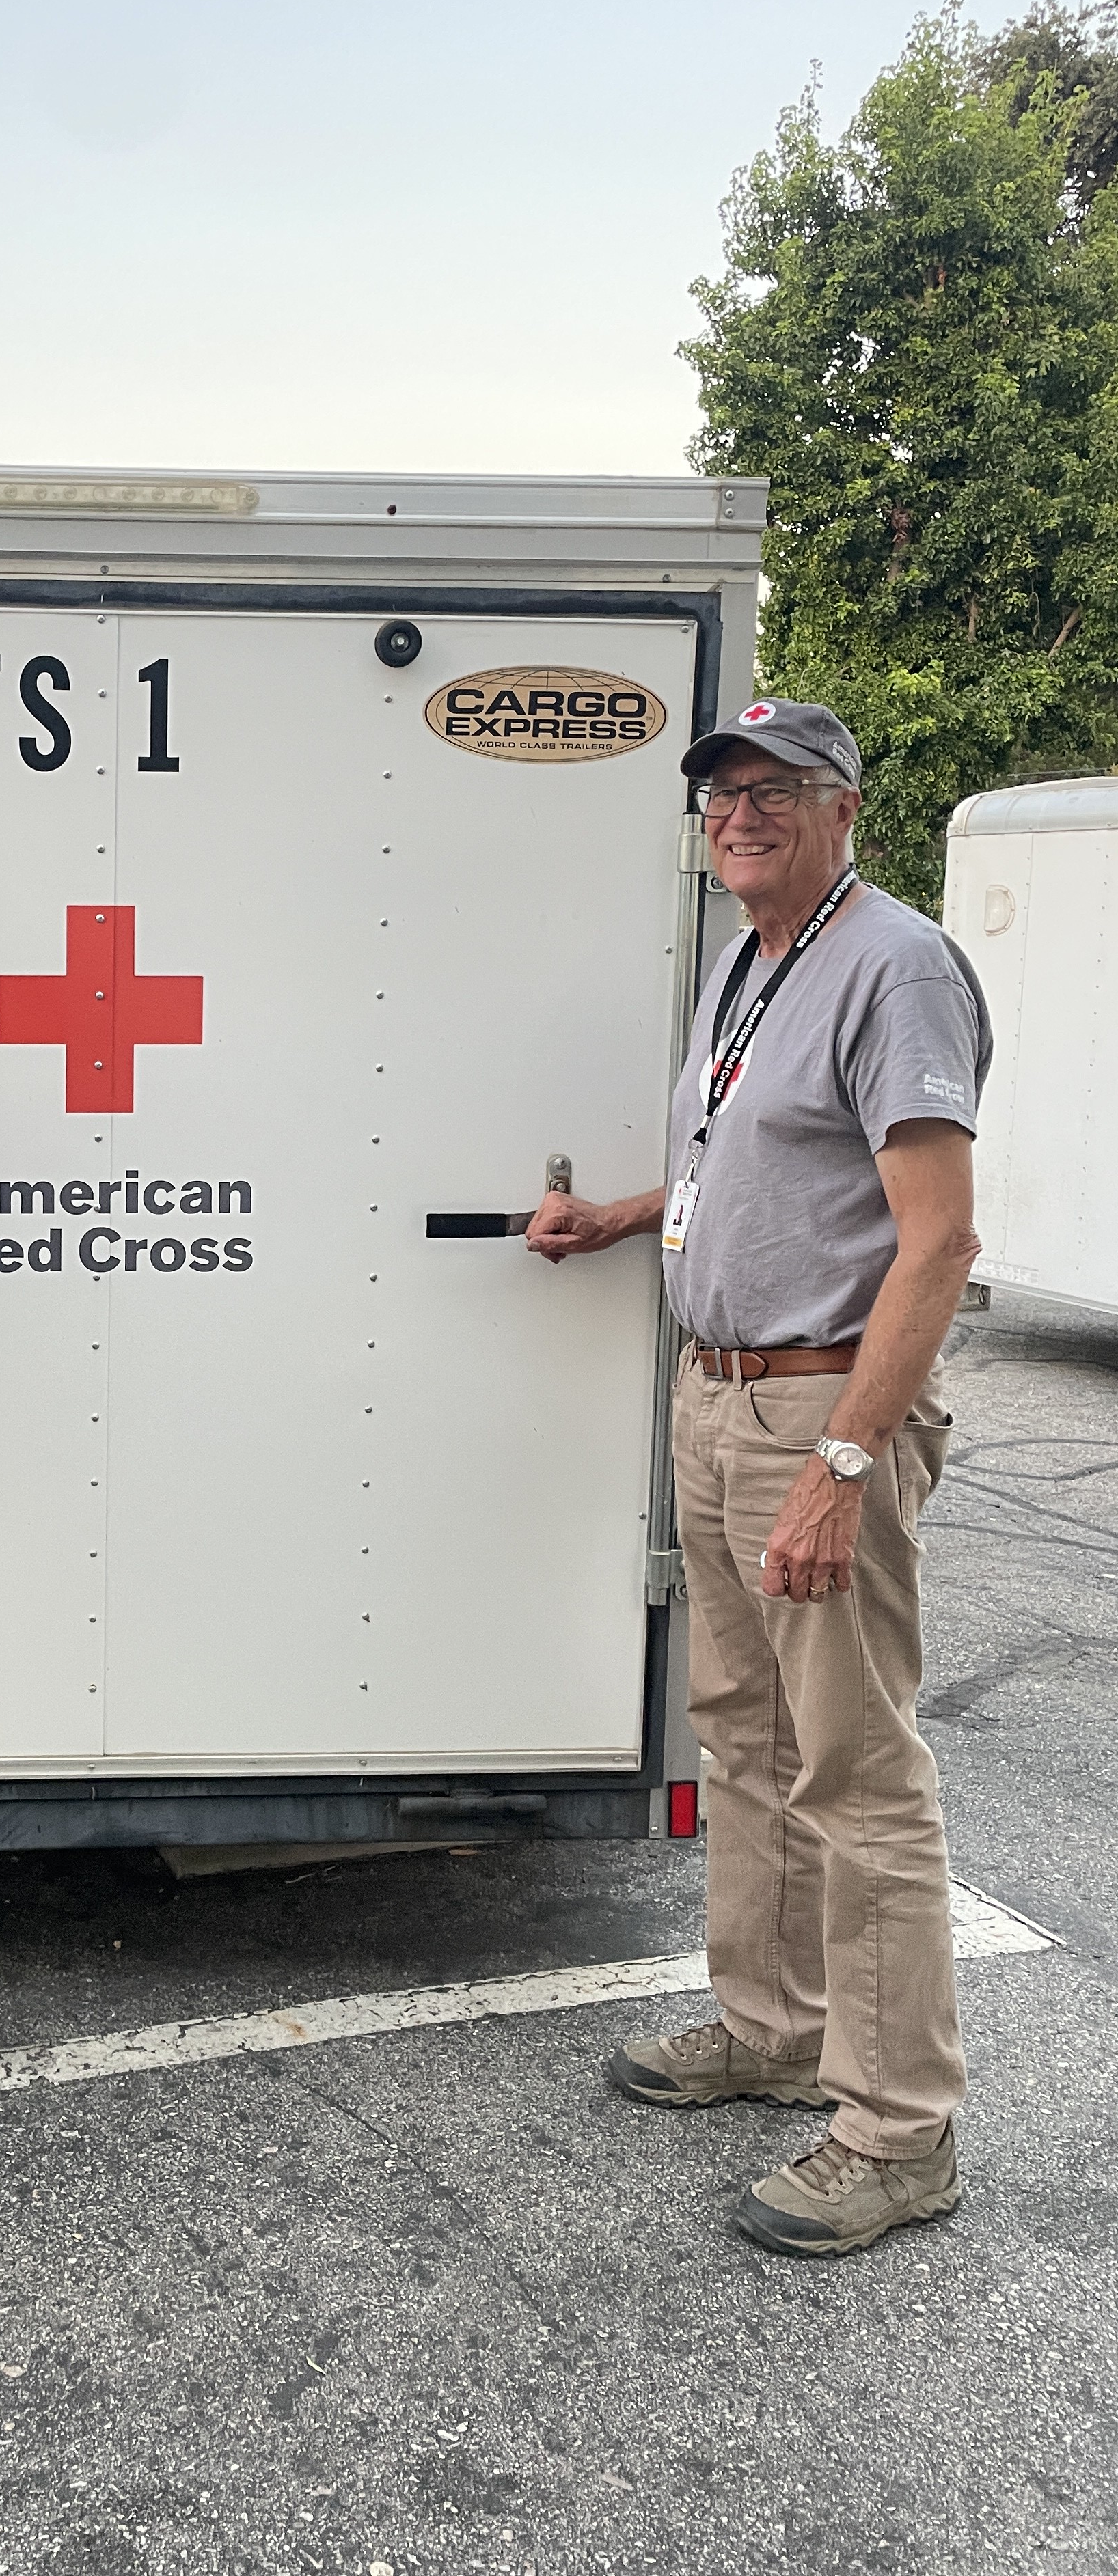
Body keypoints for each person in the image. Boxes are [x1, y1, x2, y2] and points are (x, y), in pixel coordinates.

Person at [528, 697, 988, 2258]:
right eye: (722, 791)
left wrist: (845, 1462)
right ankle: (777, 2028)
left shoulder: (896, 967)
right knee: (745, 1737)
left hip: (817, 1414)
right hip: (718, 1395)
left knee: (857, 1773)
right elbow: (749, 1159)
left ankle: (900, 2131)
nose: (740, 814)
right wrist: (620, 1218)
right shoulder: (752, 956)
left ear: (845, 807)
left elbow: (939, 1239)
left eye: (776, 789)